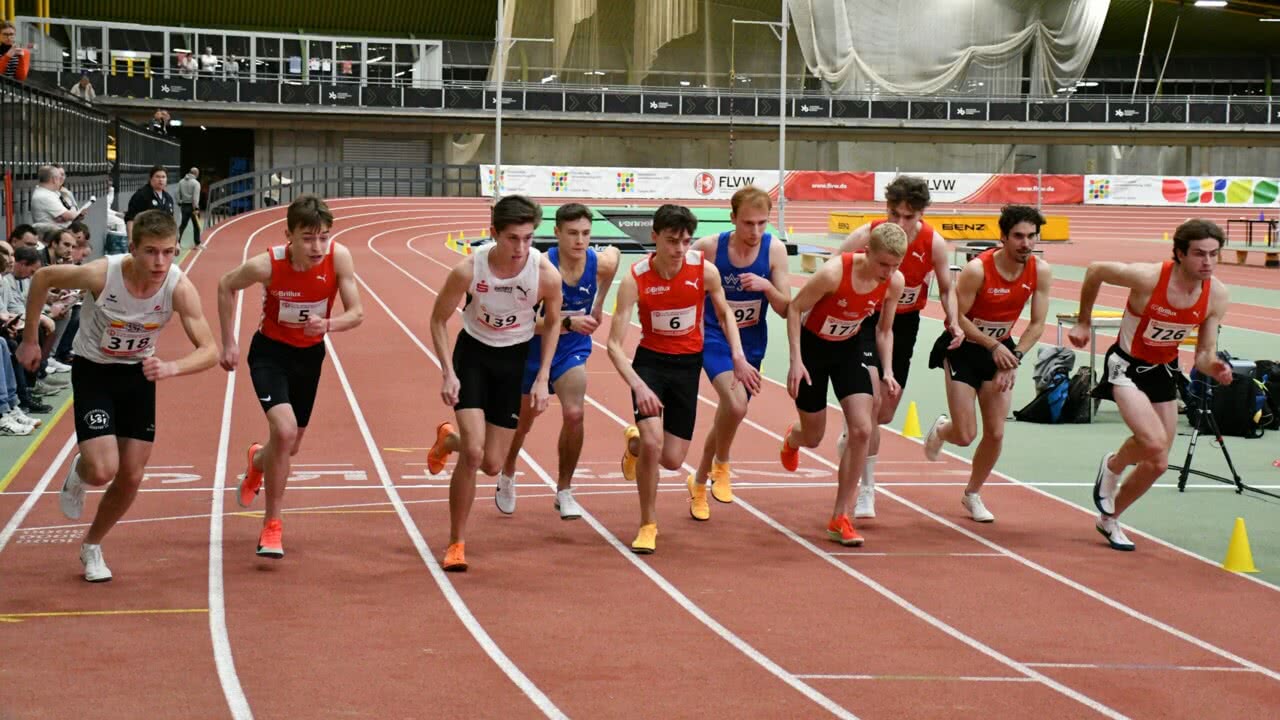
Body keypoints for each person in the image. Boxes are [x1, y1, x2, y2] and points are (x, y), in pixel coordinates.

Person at [16, 210, 218, 582]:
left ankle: (92, 545)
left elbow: (209, 349)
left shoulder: (178, 286)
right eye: (151, 252)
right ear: (133, 249)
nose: (160, 262)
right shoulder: (102, 274)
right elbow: (43, 277)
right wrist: (30, 339)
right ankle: (80, 470)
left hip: (138, 376)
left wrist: (172, 367)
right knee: (102, 470)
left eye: (169, 252)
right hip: (94, 372)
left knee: (132, 476)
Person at [1069, 219, 1232, 551]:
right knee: (1154, 442)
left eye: (1214, 255)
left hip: (1162, 370)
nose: (1208, 263)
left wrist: (1213, 366)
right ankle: (1113, 465)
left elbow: (1202, 354)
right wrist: (1084, 321)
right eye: (1199, 254)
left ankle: (1110, 520)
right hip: (1125, 367)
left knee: (1157, 462)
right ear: (1179, 254)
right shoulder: (1148, 277)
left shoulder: (1216, 294)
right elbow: (1096, 270)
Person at [217, 194, 363, 560]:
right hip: (269, 354)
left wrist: (327, 324)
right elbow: (225, 285)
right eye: (309, 238)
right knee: (282, 431)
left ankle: (257, 462)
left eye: (324, 236)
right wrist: (228, 343)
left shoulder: (338, 258)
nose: (318, 246)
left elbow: (357, 312)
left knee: (289, 445)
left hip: (309, 358)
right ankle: (272, 526)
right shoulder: (265, 265)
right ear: (289, 236)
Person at [609, 204, 760, 554]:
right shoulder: (636, 278)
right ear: (655, 238)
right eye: (672, 241)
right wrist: (639, 385)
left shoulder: (704, 271)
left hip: (687, 366)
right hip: (650, 365)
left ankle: (633, 444)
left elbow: (724, 313)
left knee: (673, 459)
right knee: (653, 443)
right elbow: (614, 345)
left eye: (685, 241)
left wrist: (738, 356)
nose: (679, 249)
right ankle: (648, 524)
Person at [425, 195, 563, 572]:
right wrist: (447, 371)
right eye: (512, 239)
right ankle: (456, 542)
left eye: (528, 238)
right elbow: (437, 320)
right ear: (494, 234)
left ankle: (447, 439)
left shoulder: (545, 274)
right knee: (473, 454)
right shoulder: (469, 270)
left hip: (513, 361)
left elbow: (552, 323)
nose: (521, 248)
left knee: (490, 463)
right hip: (473, 356)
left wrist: (542, 376)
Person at [834, 175, 963, 518]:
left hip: (904, 325)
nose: (901, 224)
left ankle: (855, 425)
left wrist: (952, 319)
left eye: (909, 217)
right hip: (864, 320)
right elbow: (835, 266)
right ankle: (866, 491)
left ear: (921, 215)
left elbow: (948, 288)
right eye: (895, 214)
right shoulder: (867, 236)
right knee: (872, 401)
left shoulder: (933, 243)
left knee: (886, 411)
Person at [922, 205, 1053, 523]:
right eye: (1018, 236)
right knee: (966, 435)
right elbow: (958, 317)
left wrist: (1014, 357)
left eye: (1031, 236)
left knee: (995, 433)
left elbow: (1037, 324)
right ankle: (942, 430)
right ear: (1003, 237)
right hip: (964, 348)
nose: (1025, 243)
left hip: (1003, 352)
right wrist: (992, 344)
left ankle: (972, 494)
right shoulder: (978, 270)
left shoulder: (1040, 270)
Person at [779, 223, 906, 547]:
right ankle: (793, 440)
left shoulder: (894, 282)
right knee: (813, 435)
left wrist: (888, 370)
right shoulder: (834, 273)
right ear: (866, 253)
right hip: (813, 349)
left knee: (863, 429)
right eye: (882, 264)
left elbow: (884, 330)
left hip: (849, 348)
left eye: (895, 266)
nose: (887, 272)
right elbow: (795, 308)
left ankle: (840, 516)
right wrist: (796, 360)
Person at [495, 203, 619, 519]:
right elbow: (519, 322)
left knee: (575, 413)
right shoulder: (535, 270)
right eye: (573, 233)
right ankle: (507, 473)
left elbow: (614, 257)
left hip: (570, 351)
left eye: (586, 234)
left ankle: (564, 490)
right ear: (557, 233)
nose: (580, 241)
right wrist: (566, 323)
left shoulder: (598, 263)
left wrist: (599, 304)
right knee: (523, 423)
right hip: (531, 350)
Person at [685, 187, 789, 520]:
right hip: (714, 338)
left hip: (753, 342)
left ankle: (699, 482)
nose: (755, 232)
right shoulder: (709, 248)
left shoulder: (775, 251)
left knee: (729, 415)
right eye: (748, 224)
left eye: (762, 223)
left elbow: (786, 309)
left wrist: (767, 286)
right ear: (732, 219)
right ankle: (723, 464)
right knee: (735, 404)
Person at [125, 165, 175, 239]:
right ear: (151, 178)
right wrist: (131, 240)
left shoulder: (168, 198)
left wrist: (175, 241)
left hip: (164, 239)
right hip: (146, 238)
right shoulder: (141, 195)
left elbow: (171, 221)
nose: (161, 180)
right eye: (157, 177)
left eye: (163, 177)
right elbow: (131, 219)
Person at [30, 165, 84, 232]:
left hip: (61, 232)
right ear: (53, 179)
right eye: (59, 178)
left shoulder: (52, 192)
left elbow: (68, 215)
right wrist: (72, 210)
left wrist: (66, 216)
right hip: (53, 236)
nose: (61, 180)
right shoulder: (45, 195)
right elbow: (70, 216)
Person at [177, 167, 202, 248]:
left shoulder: (181, 182)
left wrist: (179, 202)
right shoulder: (196, 183)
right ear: (196, 173)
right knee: (196, 226)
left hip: (184, 205)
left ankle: (177, 242)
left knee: (183, 225)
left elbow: (177, 193)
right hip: (192, 207)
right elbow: (195, 198)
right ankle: (197, 243)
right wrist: (196, 208)